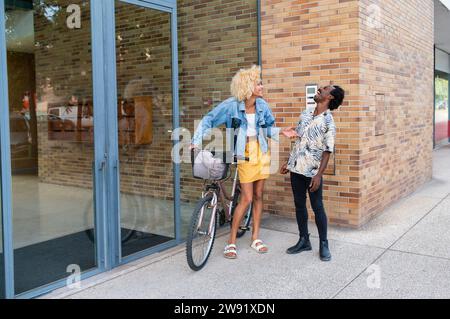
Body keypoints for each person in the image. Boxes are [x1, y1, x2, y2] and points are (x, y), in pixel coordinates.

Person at [191, 65, 297, 259]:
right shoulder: (231, 105)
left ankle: (255, 237)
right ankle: (231, 242)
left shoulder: (262, 106)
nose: (262, 86)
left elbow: (267, 128)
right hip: (244, 154)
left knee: (258, 195)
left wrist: (281, 131)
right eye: (259, 83)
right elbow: (209, 119)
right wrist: (196, 141)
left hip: (261, 153)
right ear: (248, 87)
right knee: (246, 198)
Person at [281, 85, 345, 261]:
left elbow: (327, 150)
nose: (319, 89)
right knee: (299, 205)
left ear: (330, 97)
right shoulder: (306, 113)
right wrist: (289, 162)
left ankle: (324, 244)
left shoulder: (328, 122)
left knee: (317, 208)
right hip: (296, 169)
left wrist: (318, 175)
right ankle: (304, 240)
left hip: (312, 172)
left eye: (324, 89)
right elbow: (299, 140)